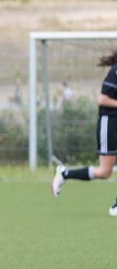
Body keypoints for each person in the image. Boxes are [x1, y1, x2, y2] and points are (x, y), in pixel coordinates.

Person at [51, 46, 117, 213]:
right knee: (104, 172)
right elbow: (103, 99)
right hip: (109, 123)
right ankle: (65, 173)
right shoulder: (116, 71)